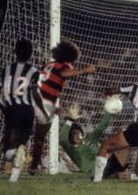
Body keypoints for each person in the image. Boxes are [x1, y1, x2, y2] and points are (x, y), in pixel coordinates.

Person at [29, 40, 96, 175]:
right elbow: (65, 73)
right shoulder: (64, 66)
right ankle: (34, 165)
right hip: (45, 104)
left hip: (33, 99)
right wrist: (84, 70)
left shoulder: (49, 64)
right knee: (40, 136)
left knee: (28, 130)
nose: (73, 65)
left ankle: (9, 147)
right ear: (70, 57)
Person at [93, 63, 138, 183]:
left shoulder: (135, 87)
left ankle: (97, 180)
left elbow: (115, 90)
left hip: (136, 129)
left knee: (106, 145)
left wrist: (106, 93)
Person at [60, 103, 138, 180]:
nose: (78, 134)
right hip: (96, 170)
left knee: (129, 144)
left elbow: (101, 127)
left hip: (109, 162)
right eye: (74, 133)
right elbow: (62, 139)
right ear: (70, 136)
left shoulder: (89, 138)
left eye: (78, 131)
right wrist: (70, 120)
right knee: (126, 145)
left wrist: (109, 112)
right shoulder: (72, 150)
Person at [0, 39, 39, 182]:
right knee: (22, 144)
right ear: (30, 54)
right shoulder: (34, 71)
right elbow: (36, 93)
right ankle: (14, 167)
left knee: (10, 149)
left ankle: (8, 159)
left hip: (11, 109)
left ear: (15, 52)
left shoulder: (6, 69)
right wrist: (42, 108)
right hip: (27, 110)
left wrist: (2, 106)